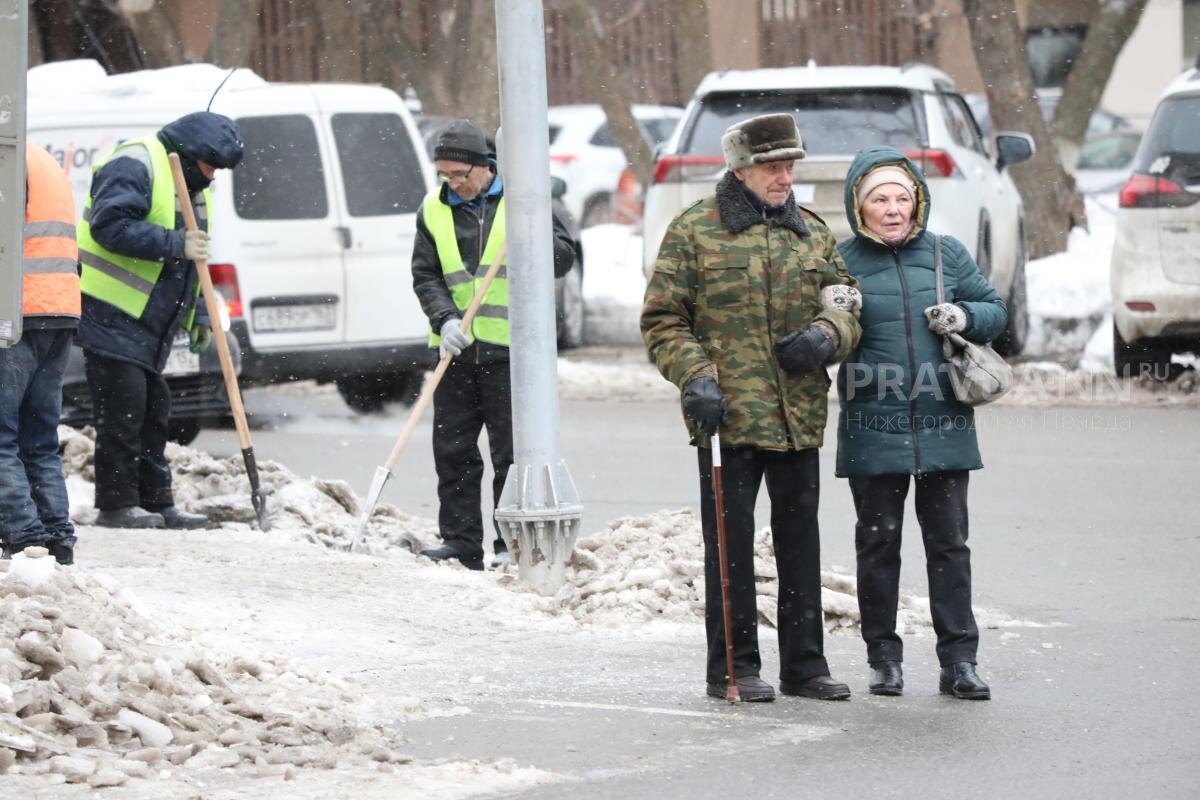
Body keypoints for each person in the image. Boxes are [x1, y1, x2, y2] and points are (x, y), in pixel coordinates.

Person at [641, 113, 862, 702]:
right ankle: (733, 668)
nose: (784, 177)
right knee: (731, 548)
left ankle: (805, 666)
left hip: (798, 416)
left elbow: (846, 301)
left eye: (790, 166)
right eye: (773, 167)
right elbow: (663, 319)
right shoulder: (694, 231)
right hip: (728, 418)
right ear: (740, 169)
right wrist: (694, 375)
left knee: (800, 544)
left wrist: (827, 334)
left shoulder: (811, 233)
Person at [835, 147, 1008, 700]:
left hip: (944, 422)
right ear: (859, 207)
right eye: (879, 199)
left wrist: (964, 316)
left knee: (950, 546)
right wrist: (829, 308)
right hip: (872, 421)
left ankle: (960, 661)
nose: (892, 208)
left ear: (918, 202)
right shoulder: (840, 261)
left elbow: (995, 309)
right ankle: (883, 659)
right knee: (878, 546)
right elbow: (812, 328)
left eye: (901, 197)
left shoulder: (946, 255)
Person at [412, 119, 576, 571]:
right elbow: (425, 274)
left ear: (484, 167)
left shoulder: (523, 202)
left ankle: (509, 546)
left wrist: (532, 234)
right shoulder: (433, 209)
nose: (453, 184)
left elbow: (563, 259)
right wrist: (444, 320)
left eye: (460, 175)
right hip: (456, 351)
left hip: (511, 355)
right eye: (445, 175)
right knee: (454, 453)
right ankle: (462, 544)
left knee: (511, 455)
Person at [77, 112, 243, 530]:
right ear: (191, 154)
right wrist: (174, 243)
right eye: (211, 167)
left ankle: (156, 501)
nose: (213, 177)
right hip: (110, 312)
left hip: (149, 322)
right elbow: (109, 226)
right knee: (124, 408)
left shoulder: (191, 185)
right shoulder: (135, 163)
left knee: (155, 409)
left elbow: (196, 258)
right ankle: (116, 505)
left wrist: (202, 311)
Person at [0, 144, 82, 565]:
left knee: (2, 436)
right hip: (59, 307)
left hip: (19, 312)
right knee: (39, 438)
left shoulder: (8, 158)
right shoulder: (40, 157)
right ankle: (57, 534)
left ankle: (25, 536)